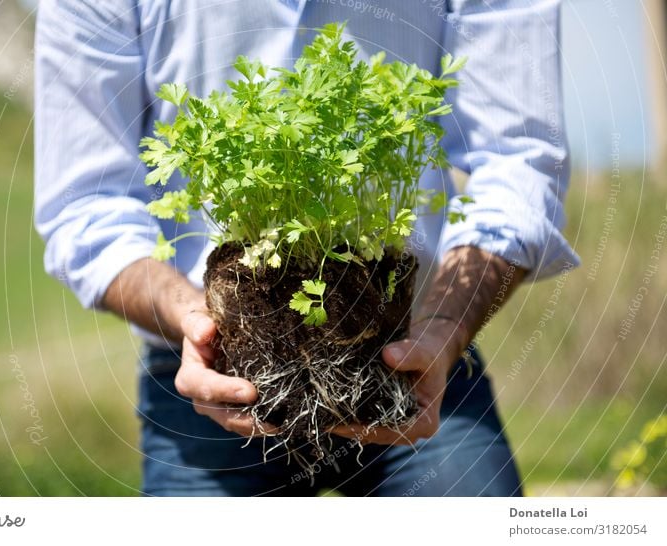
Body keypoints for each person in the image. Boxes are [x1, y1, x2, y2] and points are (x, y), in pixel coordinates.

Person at [34, 0, 579, 496]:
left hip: (413, 355)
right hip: (206, 372)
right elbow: (87, 206)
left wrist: (447, 324)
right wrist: (194, 319)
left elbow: (519, 161)